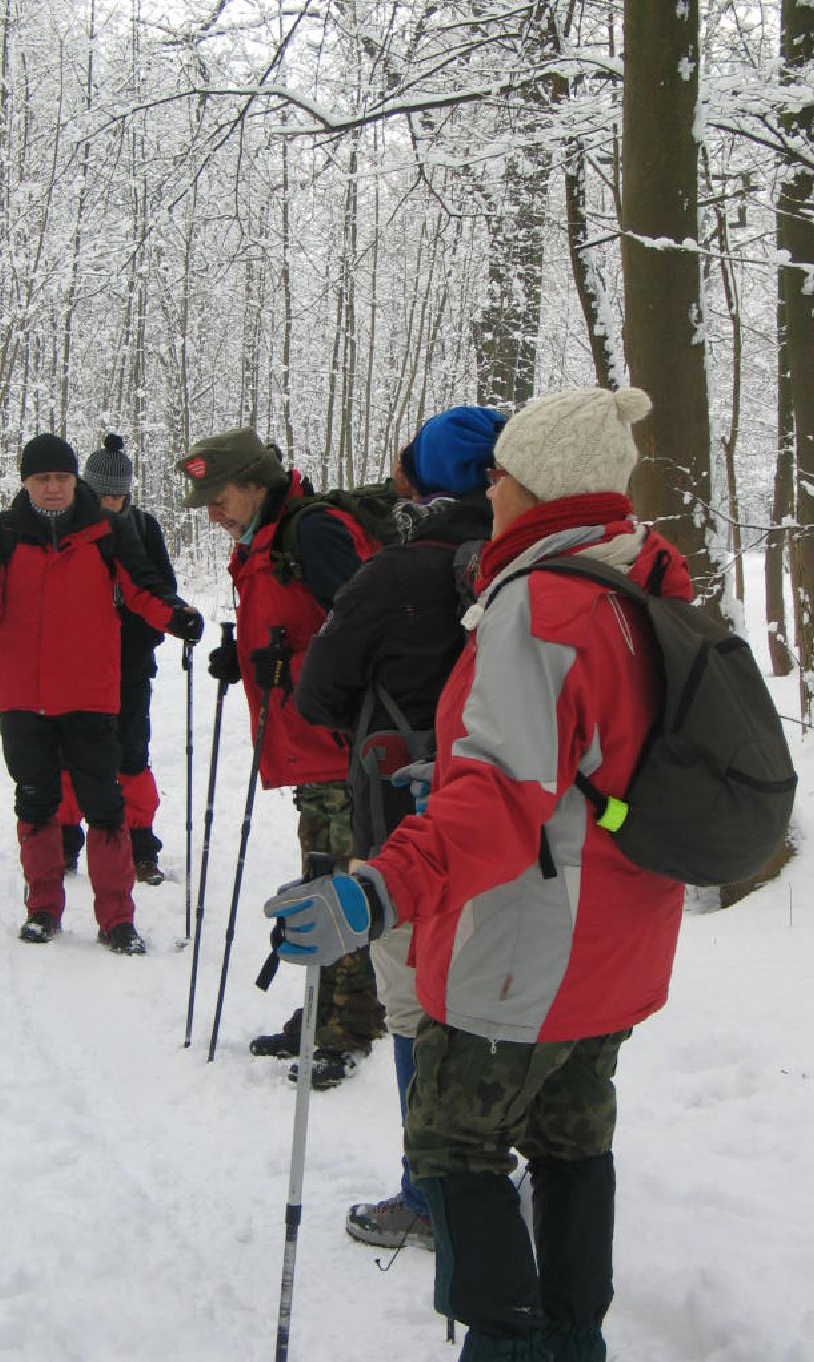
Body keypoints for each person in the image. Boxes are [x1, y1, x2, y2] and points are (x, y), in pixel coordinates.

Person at [264, 387, 692, 1362]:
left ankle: (506, 1346)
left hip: (526, 947)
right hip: (621, 936)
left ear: (537, 485)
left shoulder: (540, 607)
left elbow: (499, 805)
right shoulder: (641, 582)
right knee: (572, 1145)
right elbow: (585, 760)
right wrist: (462, 768)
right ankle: (572, 1341)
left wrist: (374, 889)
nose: (487, 489)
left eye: (501, 475)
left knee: (452, 1145)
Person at [295, 405, 504, 1252]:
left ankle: (431, 1195)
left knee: (418, 1006)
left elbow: (319, 694)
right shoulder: (536, 566)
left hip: (404, 827)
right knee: (498, 1002)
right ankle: (496, 1174)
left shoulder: (394, 573)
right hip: (518, 830)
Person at [178, 427, 386, 1087]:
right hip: (311, 743)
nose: (212, 513)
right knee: (323, 874)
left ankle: (348, 1025)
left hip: (339, 745)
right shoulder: (267, 539)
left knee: (337, 882)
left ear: (253, 484)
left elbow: (364, 634)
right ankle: (333, 1011)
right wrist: (243, 660)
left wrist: (283, 667)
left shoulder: (311, 534)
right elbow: (294, 629)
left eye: (218, 498)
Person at [0, 433, 203, 955]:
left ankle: (117, 919)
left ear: (75, 481)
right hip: (22, 696)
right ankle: (42, 909)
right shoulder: (3, 533)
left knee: (106, 806)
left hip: (89, 694)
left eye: (61, 478)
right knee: (35, 802)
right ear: (26, 483)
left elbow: (142, 588)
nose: (53, 487)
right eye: (42, 478)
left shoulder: (106, 531)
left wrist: (174, 616)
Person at [57, 433, 178, 886]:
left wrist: (152, 629)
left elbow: (161, 588)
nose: (111, 503)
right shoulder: (66, 529)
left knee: (132, 757)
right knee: (69, 756)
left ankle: (140, 846)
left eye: (118, 495)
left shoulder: (144, 528)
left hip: (129, 664)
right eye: (102, 494)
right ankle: (63, 843)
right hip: (76, 666)